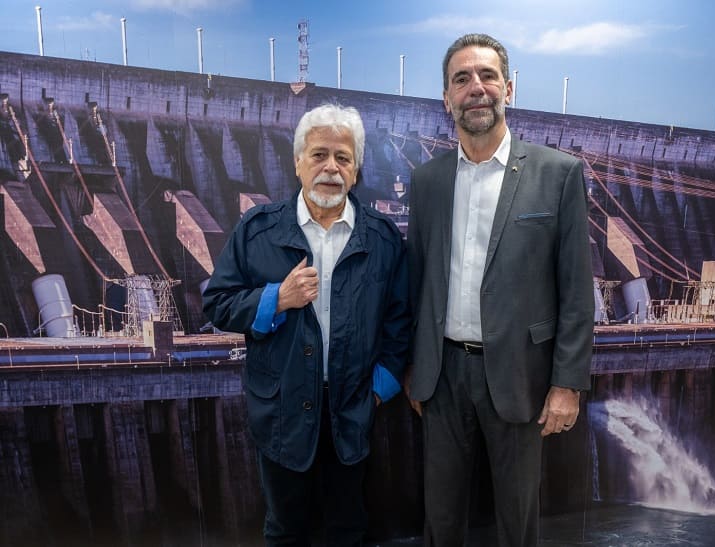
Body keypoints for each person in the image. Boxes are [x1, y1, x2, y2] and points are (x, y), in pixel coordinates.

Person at [405, 34, 594, 546]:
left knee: (517, 525)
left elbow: (578, 291)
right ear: (446, 98)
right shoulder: (427, 181)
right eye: (461, 79)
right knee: (441, 524)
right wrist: (412, 367)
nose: (476, 88)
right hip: (441, 379)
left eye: (487, 76)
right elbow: (415, 280)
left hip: (521, 379)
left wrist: (568, 384)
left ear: (508, 87)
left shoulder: (558, 174)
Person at [203, 103, 410, 547]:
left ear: (356, 170)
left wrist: (378, 390)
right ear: (298, 163)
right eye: (319, 155)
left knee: (347, 530)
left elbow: (400, 322)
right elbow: (217, 302)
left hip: (352, 410)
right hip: (280, 411)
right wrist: (276, 298)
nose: (330, 168)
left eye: (343, 157)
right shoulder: (258, 231)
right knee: (286, 531)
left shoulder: (382, 239)